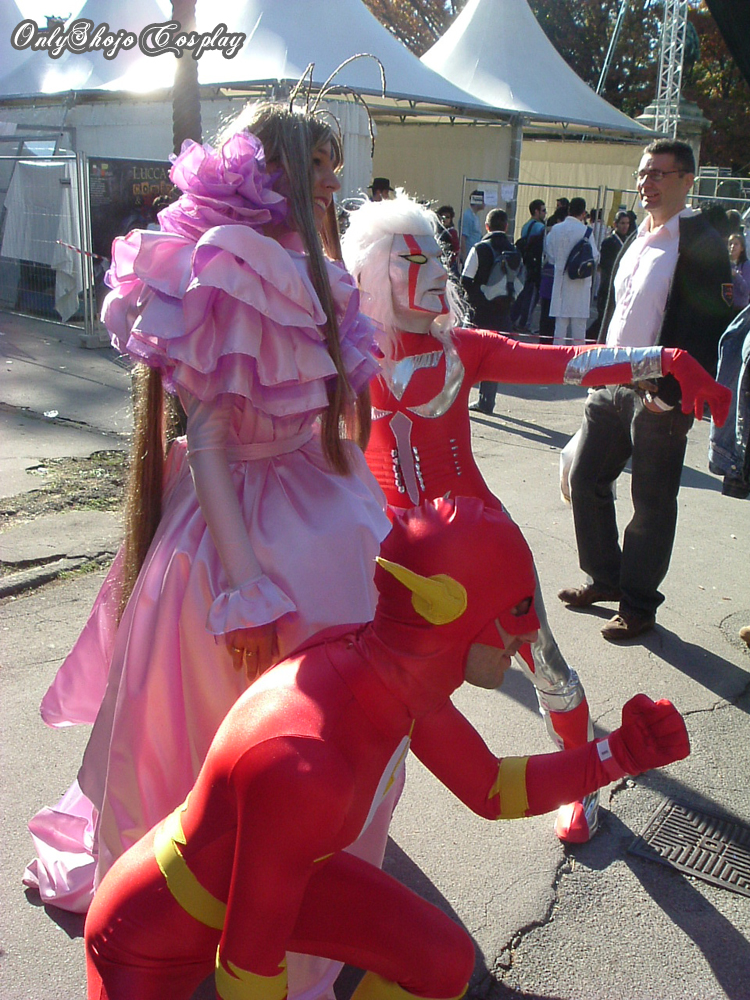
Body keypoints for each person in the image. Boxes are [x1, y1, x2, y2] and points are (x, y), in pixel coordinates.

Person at [24, 101, 392, 961]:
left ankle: (313, 871)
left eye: (333, 164)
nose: (334, 181)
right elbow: (215, 442)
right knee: (215, 727)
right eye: (318, 165)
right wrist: (245, 584)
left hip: (319, 505)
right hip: (233, 537)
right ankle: (217, 895)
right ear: (275, 174)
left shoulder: (314, 272)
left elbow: (341, 417)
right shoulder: (229, 272)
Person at [84, 496, 691, 1000]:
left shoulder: (395, 678)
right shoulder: (308, 764)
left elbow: (493, 788)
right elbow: (247, 974)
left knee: (442, 965)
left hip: (266, 889)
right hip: (146, 942)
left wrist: (619, 755)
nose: (530, 633)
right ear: (448, 609)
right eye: (518, 608)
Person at [341, 192, 727, 843]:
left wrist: (664, 361)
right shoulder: (346, 360)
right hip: (393, 564)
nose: (438, 270)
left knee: (544, 664)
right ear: (373, 274)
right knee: (377, 692)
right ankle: (350, 817)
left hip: (485, 555)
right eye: (415, 260)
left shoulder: (463, 350)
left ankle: (583, 785)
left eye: (438, 255)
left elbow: (567, 363)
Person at [560, 138, 734, 641]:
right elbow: (617, 311)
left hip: (660, 392)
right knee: (587, 479)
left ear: (686, 180)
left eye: (658, 173)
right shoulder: (637, 235)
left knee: (651, 501)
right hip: (612, 381)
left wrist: (672, 395)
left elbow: (709, 325)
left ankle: (638, 604)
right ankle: (604, 577)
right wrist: (596, 366)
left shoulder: (699, 243)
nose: (646, 183)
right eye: (642, 173)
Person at [461, 207, 521, 414]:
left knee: (468, 357)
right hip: (502, 312)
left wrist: (476, 300)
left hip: (478, 312)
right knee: (493, 358)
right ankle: (487, 401)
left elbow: (465, 279)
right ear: (506, 226)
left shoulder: (480, 248)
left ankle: (460, 398)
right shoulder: (514, 251)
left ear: (487, 226)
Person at [544, 196, 598, 346]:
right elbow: (594, 256)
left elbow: (550, 254)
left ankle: (557, 357)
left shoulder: (556, 229)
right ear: (583, 213)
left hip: (561, 282)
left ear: (568, 210)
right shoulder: (586, 231)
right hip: (580, 284)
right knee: (579, 330)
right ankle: (579, 358)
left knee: (560, 328)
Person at [588, 211, 630, 340]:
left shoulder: (628, 241)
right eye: (622, 223)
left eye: (627, 223)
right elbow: (606, 265)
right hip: (608, 286)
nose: (625, 226)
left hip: (622, 287)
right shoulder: (609, 242)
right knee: (603, 319)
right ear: (615, 224)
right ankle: (590, 338)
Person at [510, 198, 547, 333]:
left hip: (525, 262)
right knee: (531, 296)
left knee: (523, 293)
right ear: (536, 211)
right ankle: (524, 323)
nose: (545, 213)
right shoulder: (539, 227)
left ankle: (514, 319)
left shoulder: (526, 226)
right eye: (543, 210)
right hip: (534, 265)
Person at [460, 189, 485, 261]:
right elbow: (463, 238)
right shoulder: (467, 216)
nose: (485, 202)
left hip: (475, 255)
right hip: (469, 255)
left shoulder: (475, 216)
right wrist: (465, 258)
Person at [728, 232, 750, 311]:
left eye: (736, 244)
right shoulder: (726, 264)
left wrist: (736, 275)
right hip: (727, 307)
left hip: (740, 308)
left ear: (742, 248)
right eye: (730, 244)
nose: (732, 246)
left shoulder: (746, 265)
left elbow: (747, 290)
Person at [436, 204, 460, 273]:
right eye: (442, 217)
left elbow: (456, 249)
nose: (444, 219)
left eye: (447, 217)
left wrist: (450, 260)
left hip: (449, 264)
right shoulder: (436, 231)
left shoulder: (452, 232)